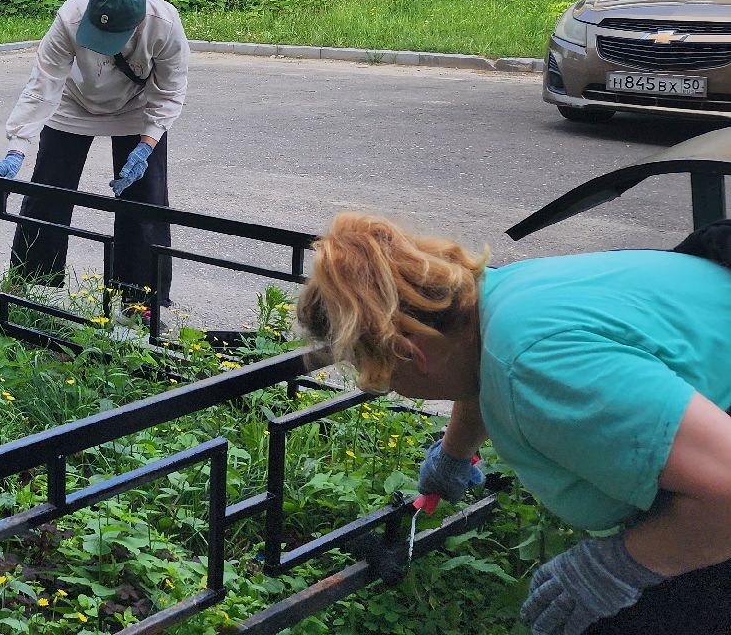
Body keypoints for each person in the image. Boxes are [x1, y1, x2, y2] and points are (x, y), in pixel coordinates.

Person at [297, 213, 731, 635]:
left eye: (376, 372)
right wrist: (453, 454)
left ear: (412, 355)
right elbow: (481, 369)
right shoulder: (501, 300)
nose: (386, 386)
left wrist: (614, 567)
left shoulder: (536, 362)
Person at [0, 0, 189, 306]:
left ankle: (141, 302)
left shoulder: (164, 24)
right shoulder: (71, 16)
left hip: (136, 109)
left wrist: (146, 146)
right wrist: (16, 148)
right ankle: (30, 283)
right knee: (48, 189)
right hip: (72, 101)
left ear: (137, 26)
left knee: (145, 200)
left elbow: (169, 91)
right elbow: (43, 85)